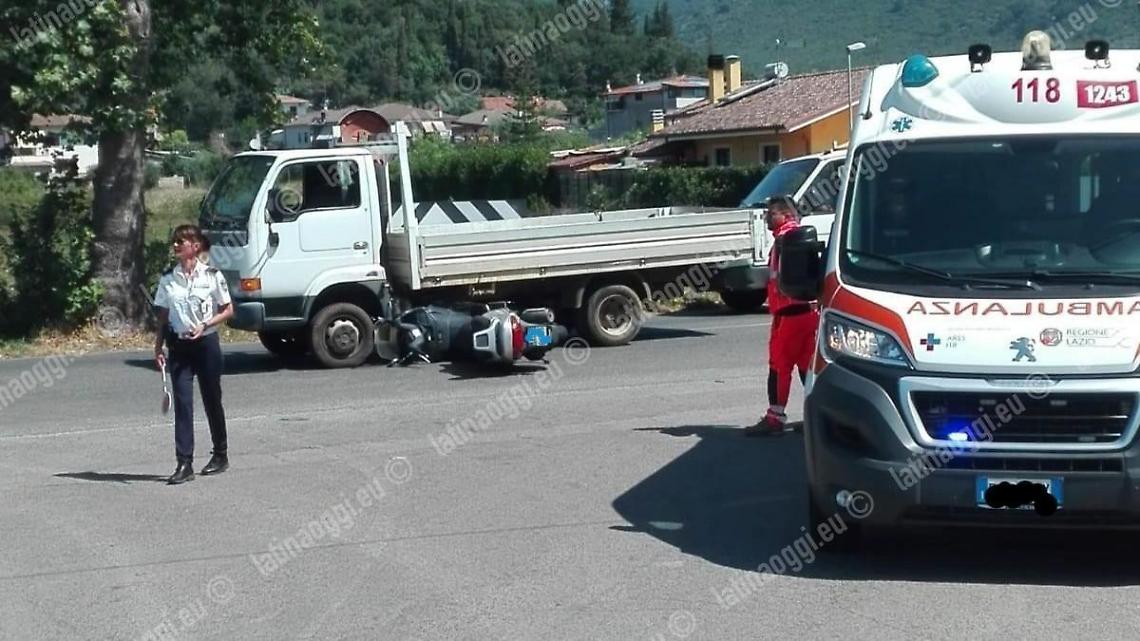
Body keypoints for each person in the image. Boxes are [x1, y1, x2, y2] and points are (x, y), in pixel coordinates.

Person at [153, 224, 234, 484]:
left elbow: (228, 309)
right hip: (179, 346)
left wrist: (206, 324)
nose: (176, 245)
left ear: (195, 246)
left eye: (181, 241)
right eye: (174, 241)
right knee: (183, 403)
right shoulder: (168, 279)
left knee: (212, 399)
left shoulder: (211, 275)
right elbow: (163, 316)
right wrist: (158, 346)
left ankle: (220, 454)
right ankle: (184, 463)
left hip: (206, 344)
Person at [747, 195, 820, 436]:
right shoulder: (800, 238)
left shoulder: (784, 241)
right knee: (807, 367)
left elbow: (778, 281)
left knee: (779, 366)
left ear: (786, 215)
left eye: (772, 213)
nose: (767, 218)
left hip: (788, 315)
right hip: (809, 313)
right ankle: (817, 417)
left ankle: (775, 418)